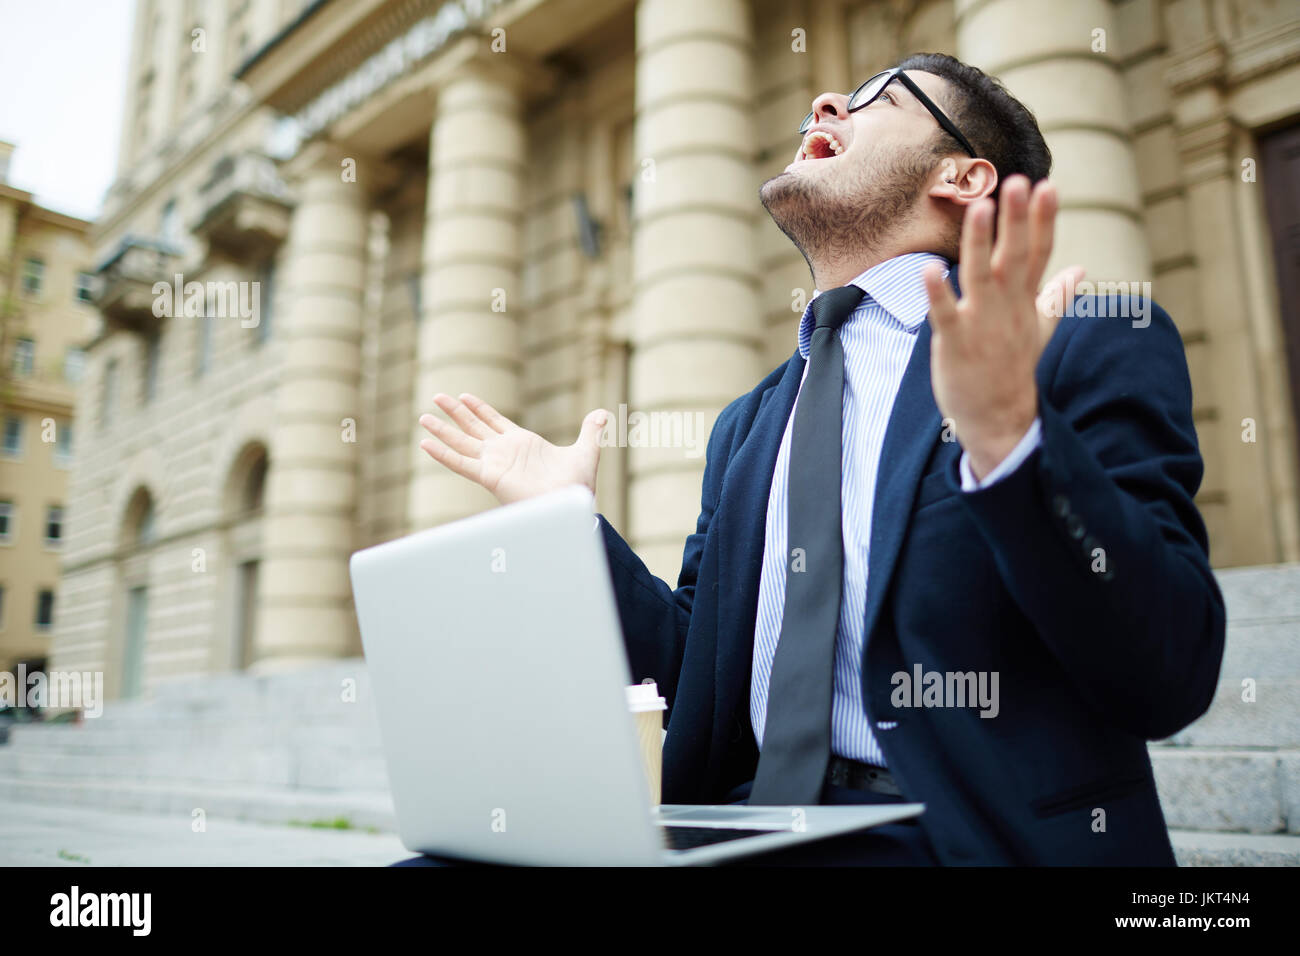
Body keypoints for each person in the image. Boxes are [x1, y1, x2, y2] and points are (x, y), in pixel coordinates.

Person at [406, 52, 1225, 866]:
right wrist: (569, 528)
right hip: (746, 824)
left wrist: (1011, 440)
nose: (826, 99)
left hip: (955, 836)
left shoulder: (1082, 342)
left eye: (878, 99)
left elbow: (1168, 672)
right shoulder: (748, 426)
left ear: (964, 178)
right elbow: (699, 683)